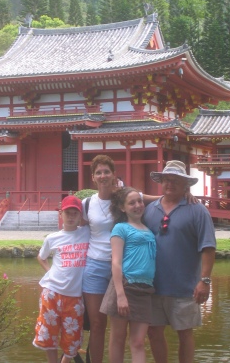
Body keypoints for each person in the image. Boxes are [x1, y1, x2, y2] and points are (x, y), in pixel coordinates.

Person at [82, 154, 159, 363]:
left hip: (123, 267)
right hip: (95, 265)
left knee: (123, 329)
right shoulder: (87, 203)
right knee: (98, 324)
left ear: (113, 175)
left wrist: (179, 197)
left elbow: (148, 199)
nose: (103, 175)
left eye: (107, 171)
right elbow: (73, 227)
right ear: (93, 177)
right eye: (98, 172)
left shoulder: (123, 198)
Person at [143, 160, 216, 363]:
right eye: (166, 180)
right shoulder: (150, 210)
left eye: (176, 180)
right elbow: (125, 197)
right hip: (153, 286)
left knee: (185, 334)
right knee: (153, 333)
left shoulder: (197, 210)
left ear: (186, 185)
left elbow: (208, 247)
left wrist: (205, 281)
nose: (170, 184)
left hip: (185, 288)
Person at [100, 187, 156, 363]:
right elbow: (115, 262)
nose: (138, 205)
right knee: (118, 339)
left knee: (139, 342)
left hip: (145, 289)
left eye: (139, 201)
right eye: (132, 203)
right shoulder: (120, 228)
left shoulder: (148, 228)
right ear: (122, 208)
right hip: (124, 286)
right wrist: (120, 295)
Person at [33, 195, 90, 363]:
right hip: (52, 293)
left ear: (80, 216)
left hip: (74, 296)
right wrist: (49, 271)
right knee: (48, 335)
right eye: (67, 213)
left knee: (72, 339)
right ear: (61, 215)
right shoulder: (52, 238)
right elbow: (41, 257)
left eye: (75, 213)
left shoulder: (86, 233)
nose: (71, 217)